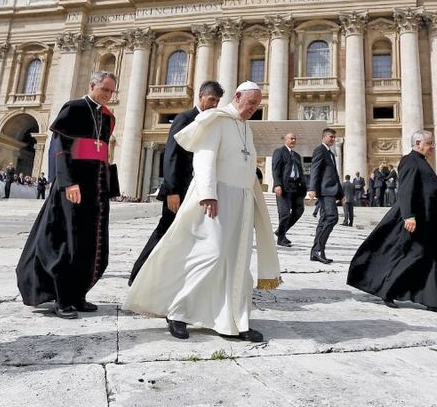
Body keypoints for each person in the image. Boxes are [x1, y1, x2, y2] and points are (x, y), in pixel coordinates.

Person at [124, 82, 281, 341]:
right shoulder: (216, 119)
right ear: (238, 97)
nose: (254, 108)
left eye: (257, 104)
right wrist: (208, 193)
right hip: (215, 198)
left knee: (237, 261)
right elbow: (204, 157)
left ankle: (233, 321)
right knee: (211, 254)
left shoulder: (245, 127)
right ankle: (177, 311)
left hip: (240, 202)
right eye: (251, 103)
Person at [15, 72, 118, 319]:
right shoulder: (74, 107)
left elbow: (102, 153)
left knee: (89, 242)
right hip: (74, 185)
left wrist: (109, 186)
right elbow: (61, 150)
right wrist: (68, 183)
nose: (107, 95)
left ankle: (78, 295)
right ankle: (62, 299)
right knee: (67, 240)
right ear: (92, 85)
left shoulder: (106, 116)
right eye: (104, 89)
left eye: (111, 91)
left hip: (96, 186)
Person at [348, 130, 437, 313]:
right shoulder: (409, 160)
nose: (432, 146)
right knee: (412, 255)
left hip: (428, 219)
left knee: (428, 258)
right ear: (418, 143)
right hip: (416, 218)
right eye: (429, 143)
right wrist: (409, 216)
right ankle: (387, 290)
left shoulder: (421, 161)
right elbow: (406, 189)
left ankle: (433, 299)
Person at [129, 80, 224, 285]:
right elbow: (171, 154)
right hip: (178, 190)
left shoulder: (210, 121)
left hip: (194, 190)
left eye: (217, 101)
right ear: (200, 96)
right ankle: (137, 275)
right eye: (211, 100)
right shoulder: (185, 118)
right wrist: (172, 190)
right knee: (164, 230)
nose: (214, 104)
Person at [307, 128, 341, 264]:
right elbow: (314, 169)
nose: (333, 139)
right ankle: (318, 249)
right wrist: (312, 188)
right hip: (325, 191)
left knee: (324, 221)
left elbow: (335, 175)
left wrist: (341, 194)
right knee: (332, 218)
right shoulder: (320, 150)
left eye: (334, 137)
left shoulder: (330, 153)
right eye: (331, 137)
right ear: (324, 137)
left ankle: (316, 252)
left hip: (331, 191)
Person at [271, 132, 306, 247]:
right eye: (291, 139)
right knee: (285, 213)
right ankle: (281, 238)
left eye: (295, 139)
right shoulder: (279, 152)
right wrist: (277, 184)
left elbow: (300, 172)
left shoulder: (297, 155)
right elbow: (275, 169)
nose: (293, 141)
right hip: (284, 187)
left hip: (296, 187)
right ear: (285, 140)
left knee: (299, 210)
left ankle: (280, 232)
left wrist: (305, 188)